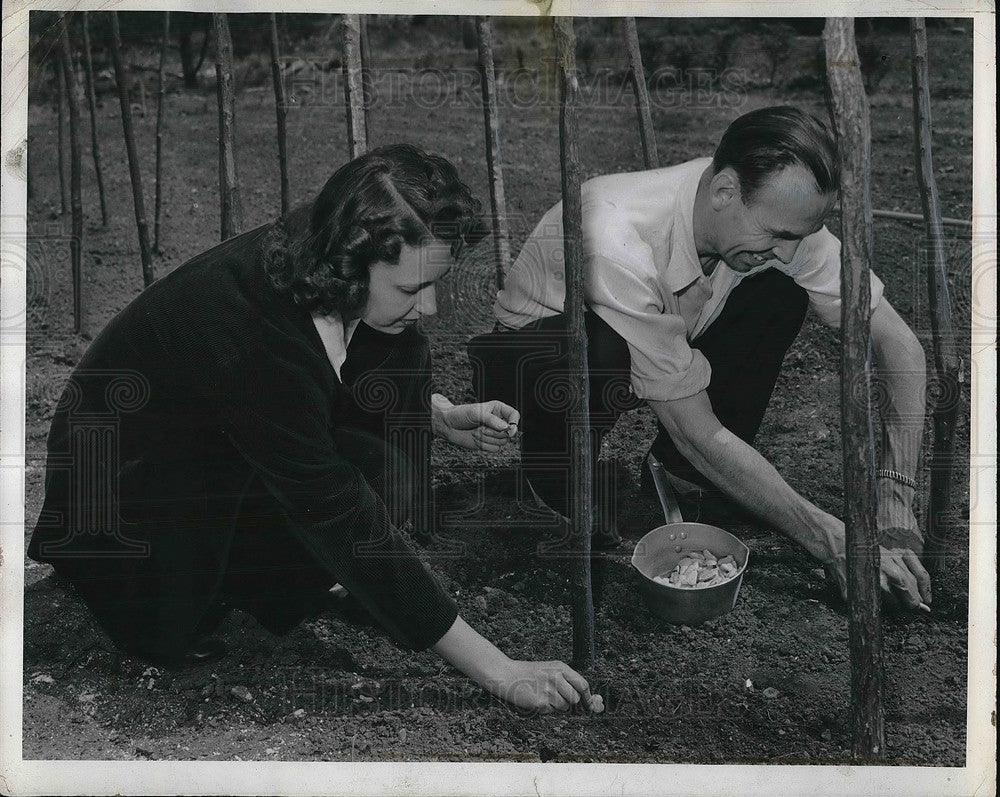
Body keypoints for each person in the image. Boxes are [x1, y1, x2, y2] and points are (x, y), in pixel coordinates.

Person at [28, 144, 596, 714]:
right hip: (114, 501)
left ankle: (263, 581)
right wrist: (500, 669)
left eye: (433, 284)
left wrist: (437, 413)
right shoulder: (257, 334)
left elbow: (370, 359)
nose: (429, 308)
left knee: (389, 469)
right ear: (351, 265)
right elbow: (333, 505)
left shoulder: (325, 247)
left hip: (199, 446)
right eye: (410, 290)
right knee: (176, 626)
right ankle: (161, 596)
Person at [469, 106, 932, 610]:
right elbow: (694, 427)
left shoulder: (781, 216)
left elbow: (898, 344)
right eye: (776, 235)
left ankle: (681, 479)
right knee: (599, 348)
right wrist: (834, 540)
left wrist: (894, 503)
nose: (786, 249)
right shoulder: (615, 235)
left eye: (796, 237)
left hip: (662, 338)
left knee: (779, 289)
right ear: (724, 192)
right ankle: (552, 480)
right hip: (533, 362)